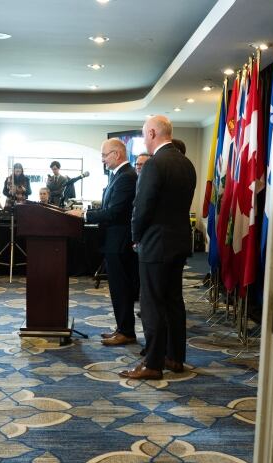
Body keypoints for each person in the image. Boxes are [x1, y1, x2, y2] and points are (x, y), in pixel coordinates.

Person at [120, 115, 196, 380]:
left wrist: (135, 237)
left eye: (144, 134)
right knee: (174, 301)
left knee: (152, 304)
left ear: (152, 133)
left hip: (154, 244)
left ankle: (152, 364)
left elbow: (142, 208)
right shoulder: (186, 164)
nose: (144, 140)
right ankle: (175, 358)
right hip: (179, 243)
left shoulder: (155, 164)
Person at [68, 138, 139, 346]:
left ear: (117, 154)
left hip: (120, 242)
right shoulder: (120, 175)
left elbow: (115, 212)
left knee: (122, 289)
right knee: (117, 289)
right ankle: (122, 328)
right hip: (113, 241)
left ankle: (127, 332)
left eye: (104, 155)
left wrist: (84, 215)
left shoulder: (127, 177)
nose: (102, 160)